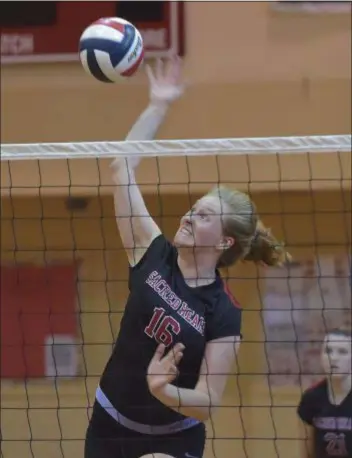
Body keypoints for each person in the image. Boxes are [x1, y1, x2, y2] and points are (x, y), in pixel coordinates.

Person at [84, 56, 289, 458]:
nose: (189, 216)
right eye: (194, 208)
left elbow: (209, 401)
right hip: (110, 424)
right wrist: (159, 105)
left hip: (173, 438)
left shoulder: (223, 311)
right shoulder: (153, 252)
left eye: (205, 215)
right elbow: (120, 166)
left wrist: (163, 388)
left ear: (225, 242)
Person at [297, 327, 352, 457]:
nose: (333, 358)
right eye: (328, 351)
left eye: (343, 352)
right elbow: (306, 451)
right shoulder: (311, 397)